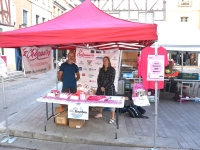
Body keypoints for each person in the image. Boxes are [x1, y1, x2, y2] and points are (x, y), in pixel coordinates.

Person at [95, 56, 116, 124]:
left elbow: (111, 81)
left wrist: (105, 87)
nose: (104, 61)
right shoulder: (101, 69)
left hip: (109, 89)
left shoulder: (112, 70)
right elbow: (98, 79)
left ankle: (113, 117)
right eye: (103, 60)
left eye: (106, 60)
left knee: (111, 104)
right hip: (101, 89)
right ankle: (100, 113)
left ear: (109, 61)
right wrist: (100, 86)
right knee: (100, 101)